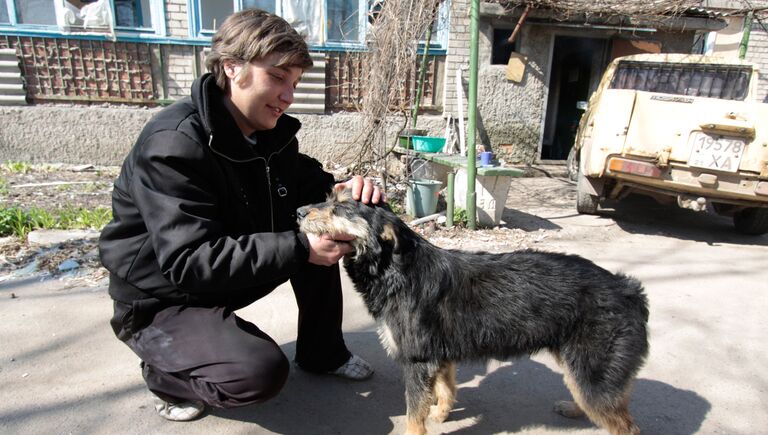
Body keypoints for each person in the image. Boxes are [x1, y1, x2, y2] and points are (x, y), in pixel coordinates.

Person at [98, 9, 381, 422]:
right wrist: (300, 248)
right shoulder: (173, 146)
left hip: (224, 278)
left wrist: (345, 191)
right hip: (163, 297)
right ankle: (165, 371)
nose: (289, 95)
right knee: (258, 374)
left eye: (295, 83)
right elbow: (188, 261)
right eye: (278, 77)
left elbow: (307, 187)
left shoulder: (268, 131)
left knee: (323, 227)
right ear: (232, 68)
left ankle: (322, 353)